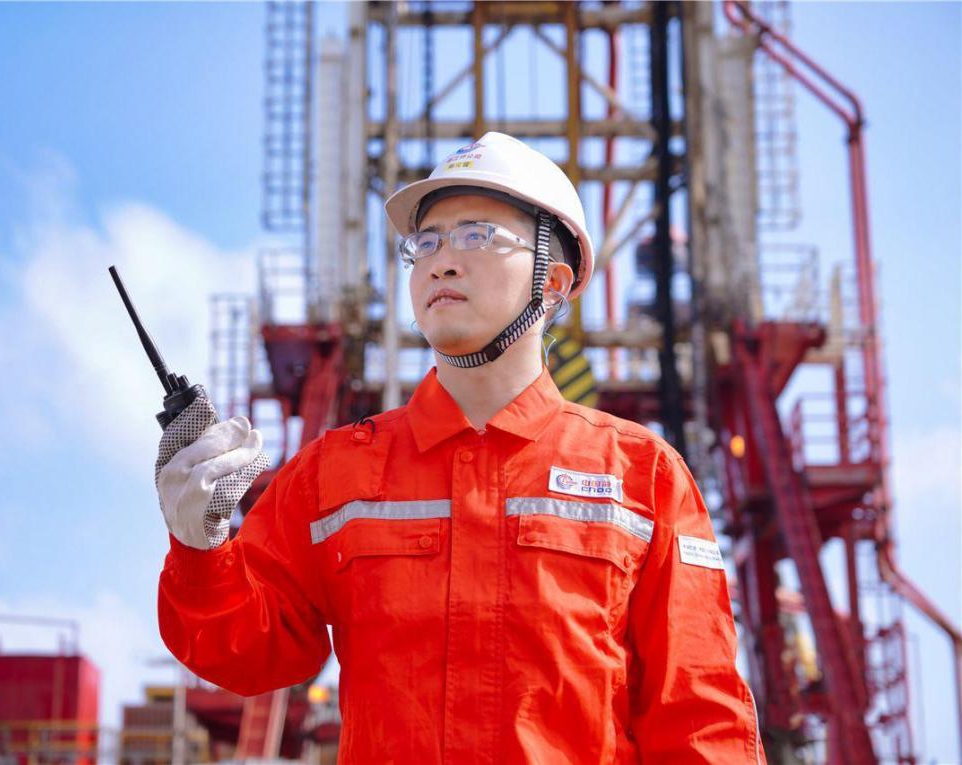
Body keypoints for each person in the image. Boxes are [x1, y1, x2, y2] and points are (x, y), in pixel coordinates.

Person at [155, 131, 767, 763]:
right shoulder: (333, 475)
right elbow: (247, 653)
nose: (441, 262)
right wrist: (200, 549)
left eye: (478, 236)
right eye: (425, 243)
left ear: (553, 282)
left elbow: (698, 714)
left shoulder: (644, 477)